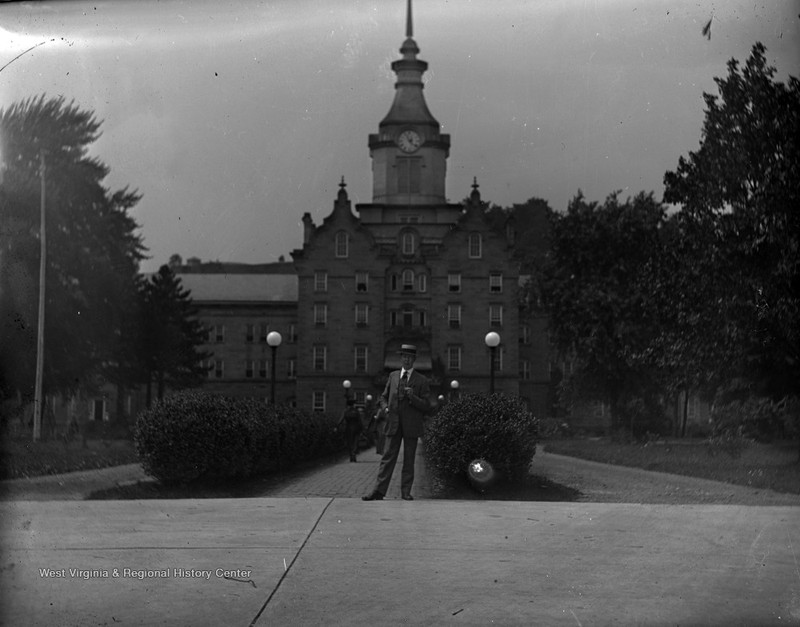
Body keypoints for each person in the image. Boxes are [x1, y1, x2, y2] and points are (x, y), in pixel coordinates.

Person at [363, 344, 431, 501]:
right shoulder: (393, 376)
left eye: (410, 357)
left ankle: (405, 492)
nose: (407, 360)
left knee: (409, 459)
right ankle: (378, 491)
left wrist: (413, 397)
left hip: (411, 425)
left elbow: (426, 405)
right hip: (393, 423)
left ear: (414, 360)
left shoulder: (421, 380)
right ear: (401, 358)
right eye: (404, 357)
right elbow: (382, 397)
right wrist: (386, 409)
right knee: (387, 457)